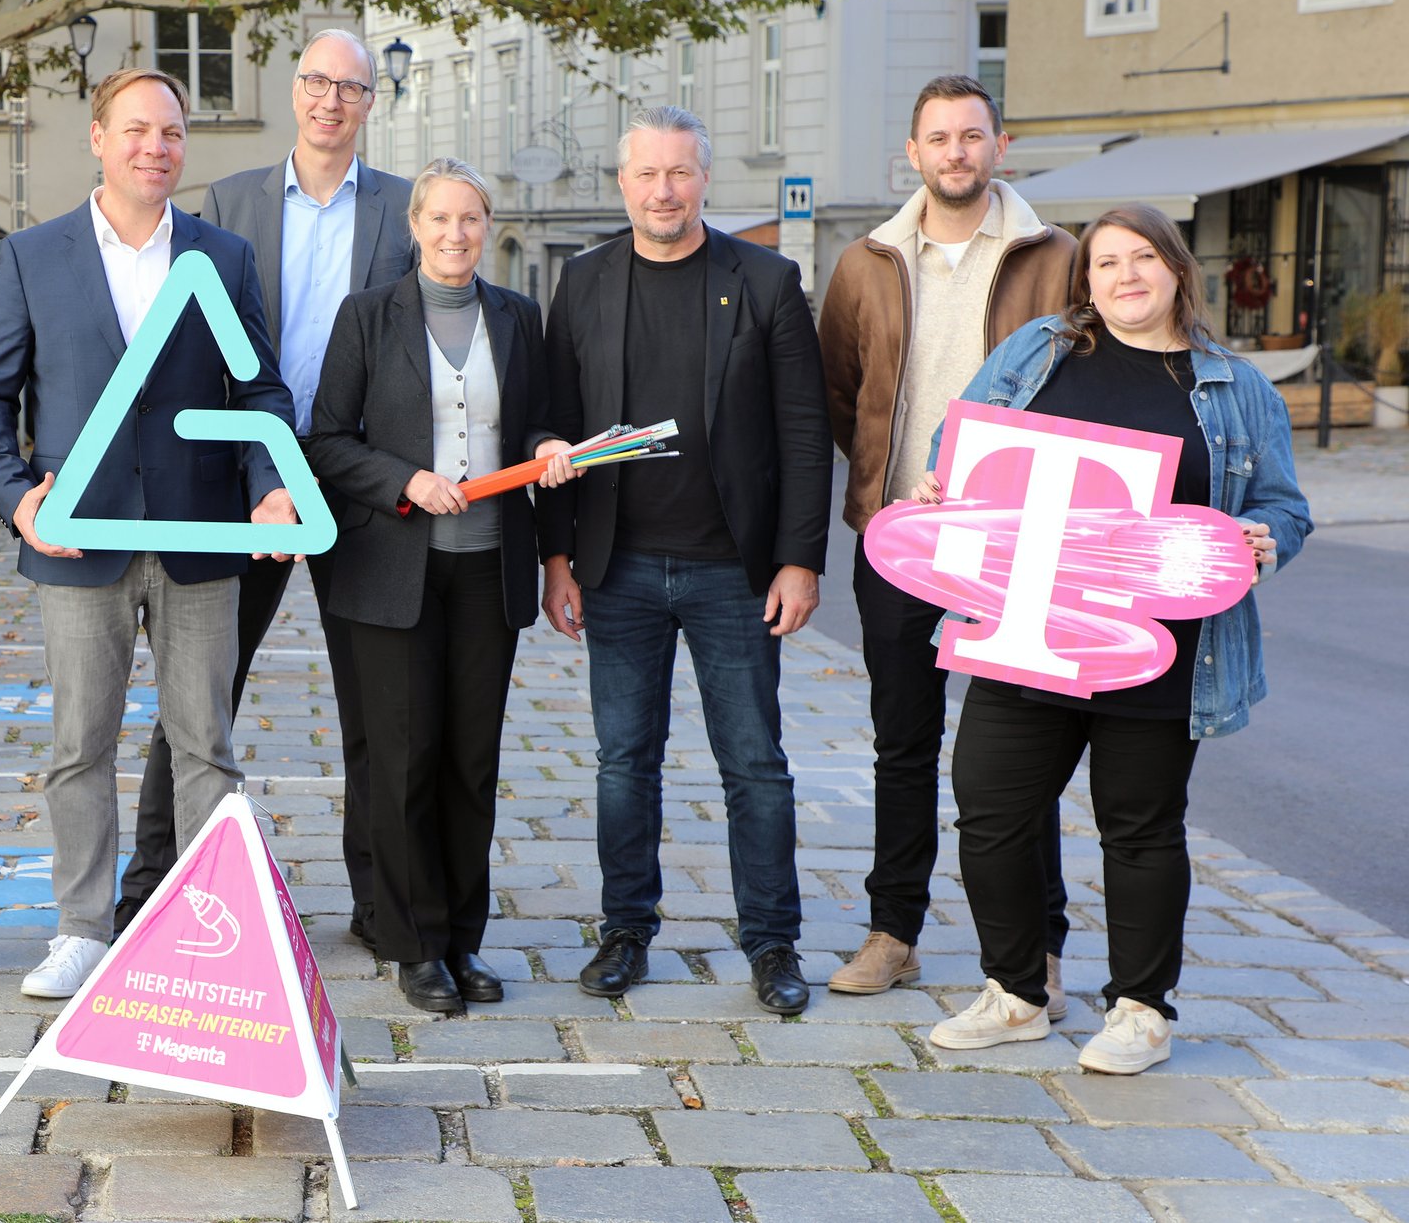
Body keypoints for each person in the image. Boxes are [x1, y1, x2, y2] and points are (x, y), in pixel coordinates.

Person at [923, 204, 1311, 1073]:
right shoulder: (1040, 351)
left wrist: (1263, 541)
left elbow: (1284, 507)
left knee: (1139, 829)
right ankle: (1016, 992)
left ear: (1177, 269)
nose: (1126, 275)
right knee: (990, 810)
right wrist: (945, 486)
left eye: (1143, 258)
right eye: (1106, 262)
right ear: (1086, 279)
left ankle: (1141, 1009)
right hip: (1029, 632)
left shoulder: (1235, 386)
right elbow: (961, 443)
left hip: (1159, 650)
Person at [0, 68, 298, 1000]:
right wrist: (17, 497)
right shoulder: (33, 255)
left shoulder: (224, 257)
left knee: (207, 747)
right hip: (78, 543)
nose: (157, 147)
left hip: (201, 539)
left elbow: (260, 391)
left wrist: (272, 487)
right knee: (80, 746)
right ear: (99, 139)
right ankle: (82, 930)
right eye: (139, 129)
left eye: (173, 132)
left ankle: (204, 930)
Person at [115, 29, 417, 944]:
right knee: (201, 694)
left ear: (371, 101)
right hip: (251, 476)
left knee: (375, 700)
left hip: (361, 479)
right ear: (295, 91)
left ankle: (379, 905)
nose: (332, 100)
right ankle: (150, 888)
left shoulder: (403, 207)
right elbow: (205, 341)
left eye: (351, 87)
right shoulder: (232, 200)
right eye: (318, 82)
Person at [537, 106, 833, 1015]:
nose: (662, 190)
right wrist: (558, 557)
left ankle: (772, 942)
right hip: (617, 567)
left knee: (755, 765)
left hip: (733, 572)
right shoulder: (583, 280)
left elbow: (805, 430)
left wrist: (800, 560)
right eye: (646, 174)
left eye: (679, 173)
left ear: (705, 179)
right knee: (624, 762)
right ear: (622, 183)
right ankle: (626, 930)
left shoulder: (767, 280)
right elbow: (553, 421)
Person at [816, 74, 1080, 1007]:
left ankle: (1039, 945)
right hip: (903, 536)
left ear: (999, 146)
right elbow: (841, 394)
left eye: (972, 136)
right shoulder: (867, 263)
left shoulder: (1058, 257)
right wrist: (892, 485)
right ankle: (894, 932)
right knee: (903, 743)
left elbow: (1089, 385)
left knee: (1026, 754)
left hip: (1019, 547)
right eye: (939, 138)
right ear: (913, 153)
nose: (956, 152)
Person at [309, 158, 571, 1011]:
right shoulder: (367, 316)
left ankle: (464, 937)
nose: (456, 234)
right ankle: (413, 942)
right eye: (441, 218)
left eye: (471, 219)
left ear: (486, 227)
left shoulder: (518, 316)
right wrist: (405, 480)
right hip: (393, 571)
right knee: (405, 758)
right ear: (415, 226)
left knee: (470, 759)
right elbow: (327, 440)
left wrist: (548, 446)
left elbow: (533, 422)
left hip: (489, 566)